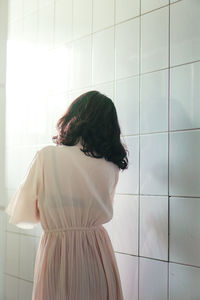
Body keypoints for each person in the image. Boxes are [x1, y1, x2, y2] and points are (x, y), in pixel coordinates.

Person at [5, 90, 128, 300]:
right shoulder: (111, 166)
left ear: (74, 118)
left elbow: (22, 215)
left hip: (58, 253)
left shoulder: (47, 157)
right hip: (99, 253)